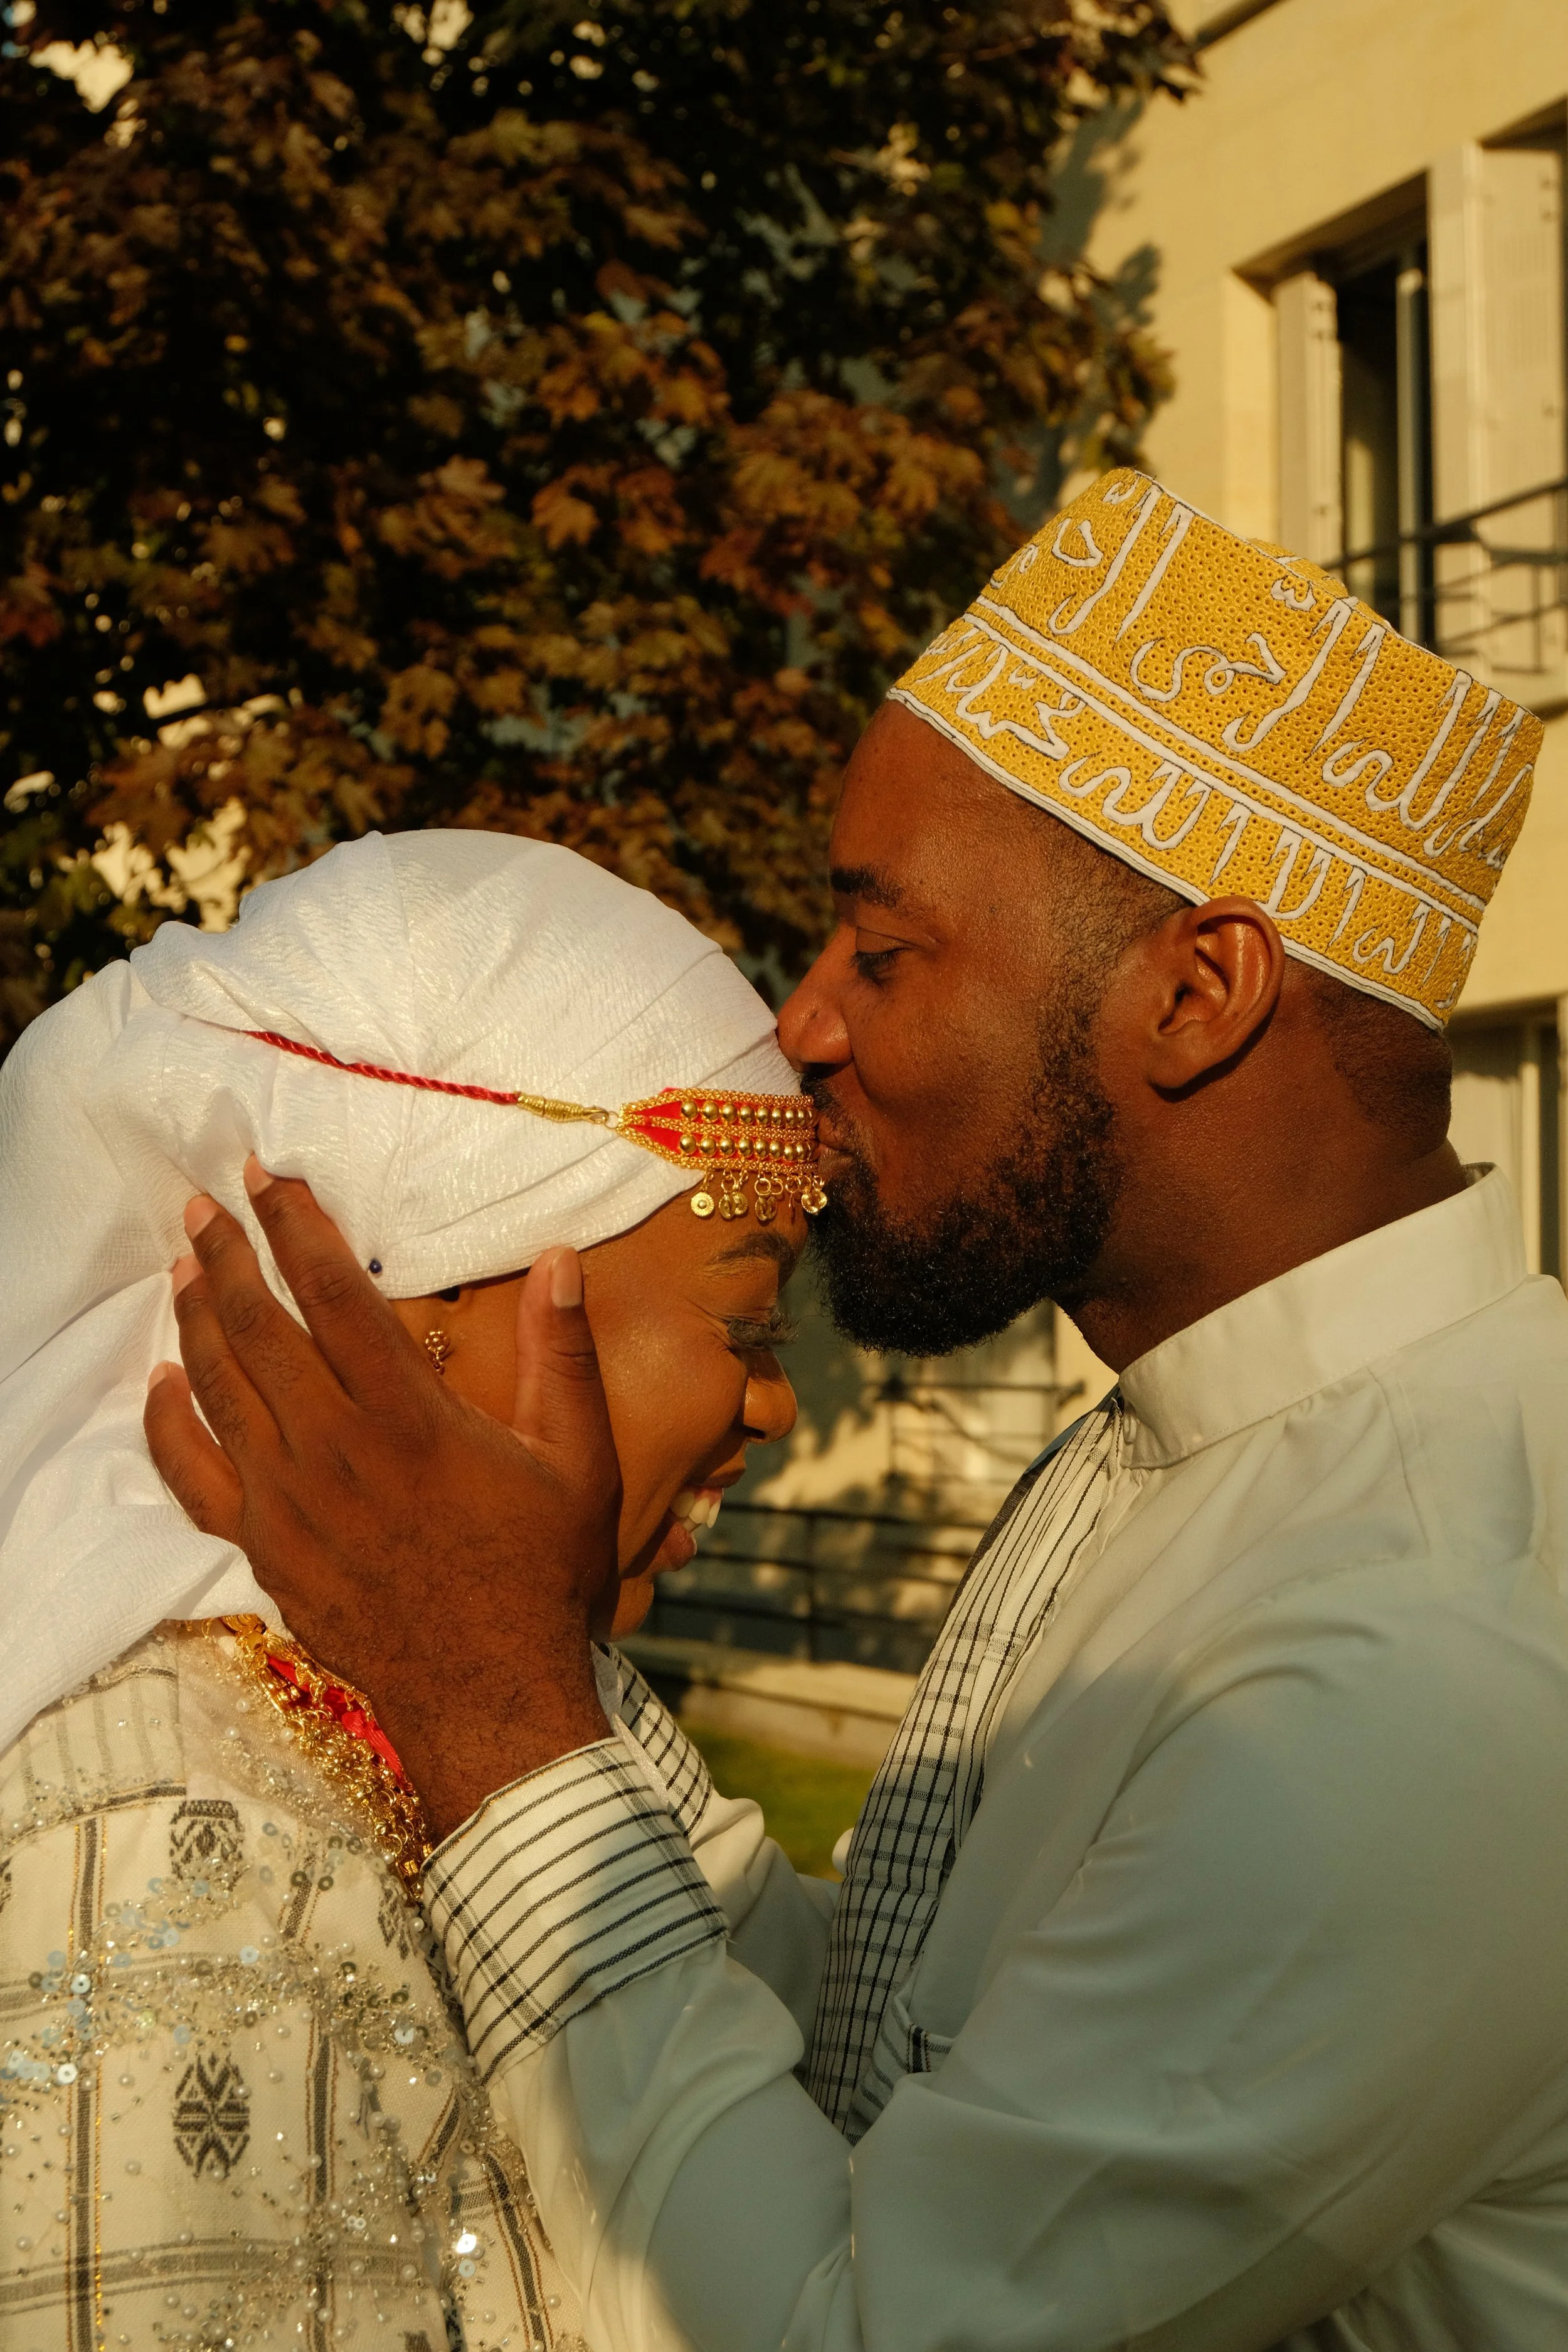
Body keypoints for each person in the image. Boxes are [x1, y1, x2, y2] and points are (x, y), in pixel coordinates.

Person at [146, 473, 1568, 2351]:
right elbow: (901, 2060)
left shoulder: (1425, 1643)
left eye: (880, 951)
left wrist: (495, 1705)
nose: (803, 1025)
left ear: (1198, 989)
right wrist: (520, 1633)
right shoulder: (1178, 1446)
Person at [0, 829, 820, 2350]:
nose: (776, 1411)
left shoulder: (448, 1710)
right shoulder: (176, 1849)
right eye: (752, 1326)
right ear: (421, 1305)